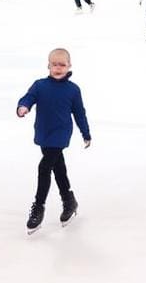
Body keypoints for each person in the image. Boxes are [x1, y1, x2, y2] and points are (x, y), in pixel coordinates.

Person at [17, 48, 91, 234]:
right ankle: (69, 200)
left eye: (62, 64)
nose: (58, 68)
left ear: (69, 66)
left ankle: (38, 207)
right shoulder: (40, 85)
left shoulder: (73, 90)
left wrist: (86, 133)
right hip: (44, 132)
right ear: (48, 65)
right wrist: (23, 106)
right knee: (58, 167)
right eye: (54, 64)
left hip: (61, 133)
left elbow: (79, 113)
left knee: (44, 167)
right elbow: (29, 97)